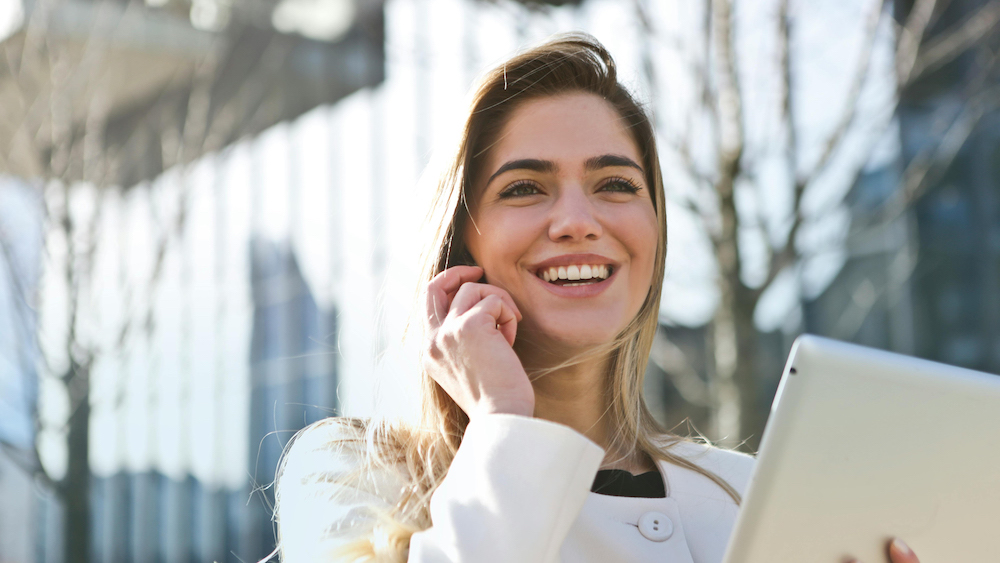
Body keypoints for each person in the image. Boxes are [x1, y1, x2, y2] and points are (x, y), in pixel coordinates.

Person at [273, 34, 921, 563]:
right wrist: (504, 421)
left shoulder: (746, 490)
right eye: (525, 188)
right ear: (459, 244)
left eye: (616, 183)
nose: (579, 220)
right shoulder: (349, 477)